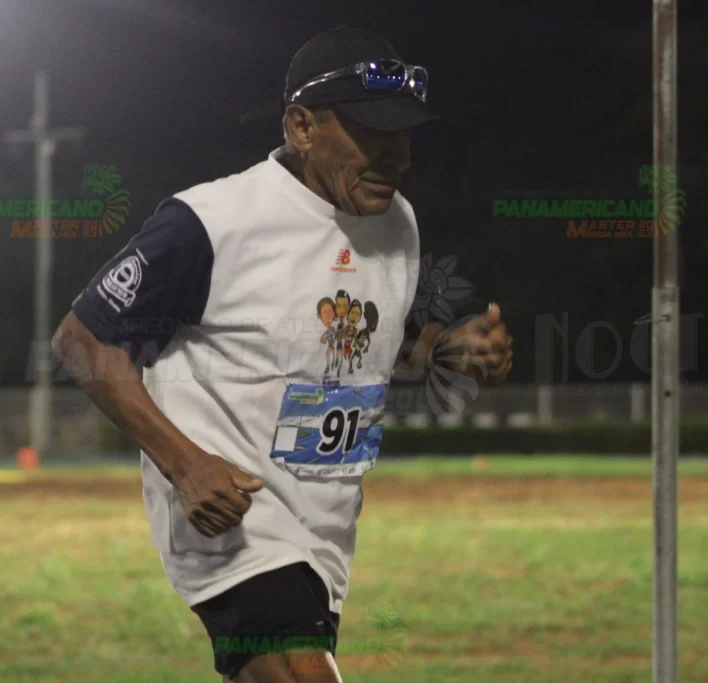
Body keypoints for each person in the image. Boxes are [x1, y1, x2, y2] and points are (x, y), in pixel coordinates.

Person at [51, 26, 513, 683]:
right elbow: (81, 338)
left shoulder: (397, 223)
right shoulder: (211, 222)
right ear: (301, 128)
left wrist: (452, 351)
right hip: (229, 509)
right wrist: (185, 466)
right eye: (372, 134)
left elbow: (384, 346)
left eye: (404, 135)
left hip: (327, 522)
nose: (397, 156)